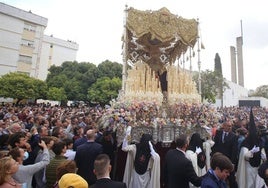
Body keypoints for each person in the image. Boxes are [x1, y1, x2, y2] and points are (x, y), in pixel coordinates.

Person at [236, 109, 266, 188]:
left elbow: (262, 152)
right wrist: (251, 152)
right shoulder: (246, 142)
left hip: (257, 166)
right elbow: (244, 155)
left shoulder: (258, 141)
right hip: (248, 167)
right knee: (249, 184)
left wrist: (263, 156)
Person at [211, 120, 238, 188]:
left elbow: (234, 150)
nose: (230, 127)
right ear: (224, 126)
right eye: (228, 126)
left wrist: (232, 163)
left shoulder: (234, 136)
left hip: (228, 161)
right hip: (218, 159)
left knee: (231, 179)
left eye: (230, 126)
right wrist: (213, 156)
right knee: (217, 176)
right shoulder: (218, 133)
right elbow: (215, 145)